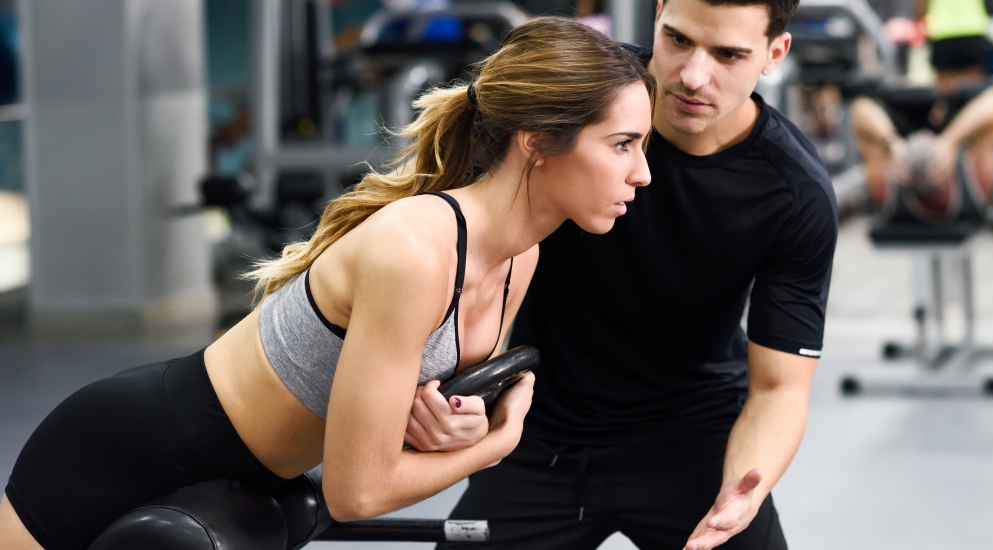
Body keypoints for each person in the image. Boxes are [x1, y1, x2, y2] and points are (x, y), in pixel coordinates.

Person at [0, 18, 654, 550]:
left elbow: (407, 412)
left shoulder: (523, 255)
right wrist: (494, 446)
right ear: (539, 142)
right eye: (623, 144)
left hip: (247, 473)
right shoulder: (417, 252)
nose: (643, 173)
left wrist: (457, 424)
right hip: (123, 448)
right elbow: (357, 492)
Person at [439, 0, 837, 548]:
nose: (693, 76)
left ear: (774, 54)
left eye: (728, 54)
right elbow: (467, 251)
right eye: (677, 40)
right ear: (656, 15)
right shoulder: (578, 98)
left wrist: (746, 488)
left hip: (693, 439)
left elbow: (778, 389)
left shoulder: (794, 193)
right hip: (541, 431)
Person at [850, 0, 993, 222]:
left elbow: (860, 109)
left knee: (965, 90)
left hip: (945, 34)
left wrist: (893, 143)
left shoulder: (886, 193)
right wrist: (949, 143)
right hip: (965, 33)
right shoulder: (978, 185)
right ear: (945, 174)